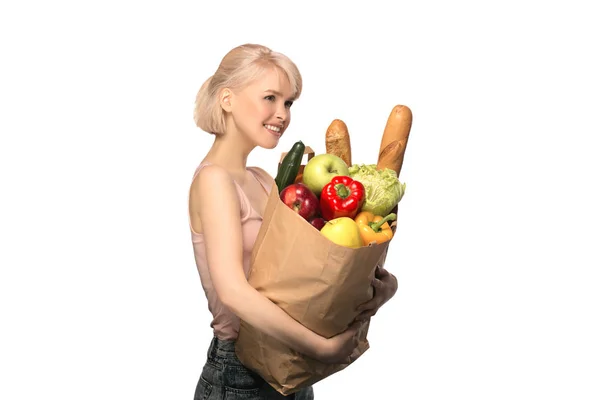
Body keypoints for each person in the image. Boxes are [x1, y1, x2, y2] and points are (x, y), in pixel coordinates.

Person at [188, 43, 398, 399]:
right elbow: (233, 291)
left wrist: (381, 286)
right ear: (227, 99)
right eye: (270, 98)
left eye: (288, 102)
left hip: (289, 371)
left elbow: (300, 273)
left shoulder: (261, 180)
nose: (282, 114)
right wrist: (322, 348)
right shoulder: (213, 180)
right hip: (240, 375)